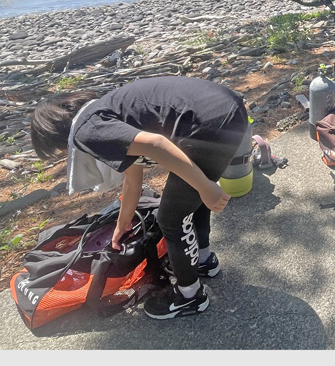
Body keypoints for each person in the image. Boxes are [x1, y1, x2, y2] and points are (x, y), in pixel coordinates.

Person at [29, 76, 249, 320]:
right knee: (188, 195)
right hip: (225, 108)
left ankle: (190, 297)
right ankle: (203, 260)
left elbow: (155, 144)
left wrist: (206, 187)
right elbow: (133, 179)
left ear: (55, 136)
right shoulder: (103, 109)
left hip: (208, 123)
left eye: (59, 151)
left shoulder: (86, 131)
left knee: (171, 217)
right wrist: (123, 223)